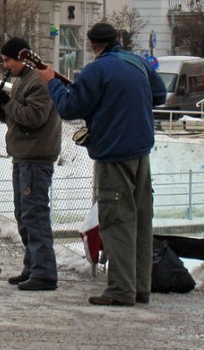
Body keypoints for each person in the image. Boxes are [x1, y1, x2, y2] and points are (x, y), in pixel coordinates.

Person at [36, 23, 166, 306]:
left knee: (117, 221)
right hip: (141, 152)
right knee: (141, 222)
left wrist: (52, 82)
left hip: (113, 153)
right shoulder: (137, 61)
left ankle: (121, 290)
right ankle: (140, 287)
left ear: (93, 44)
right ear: (117, 40)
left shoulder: (97, 70)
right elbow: (159, 95)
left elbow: (71, 108)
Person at [0, 37, 62, 291]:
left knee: (35, 215)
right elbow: (17, 119)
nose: (5, 65)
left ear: (21, 58)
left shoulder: (38, 81)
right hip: (24, 155)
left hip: (36, 157)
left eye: (8, 60)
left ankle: (44, 272)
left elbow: (33, 118)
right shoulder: (23, 81)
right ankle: (33, 267)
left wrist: (7, 103)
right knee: (24, 214)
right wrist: (0, 109)